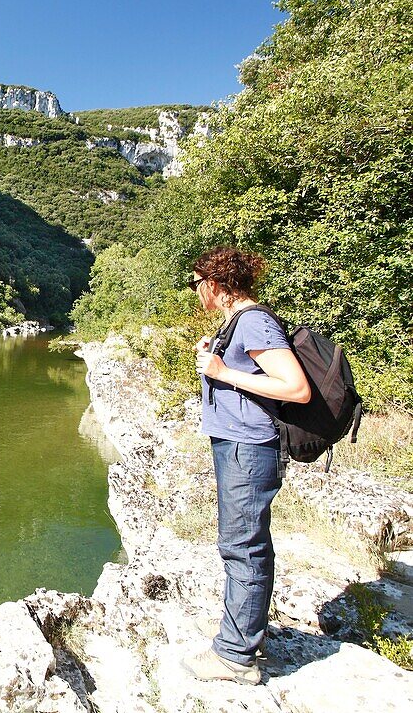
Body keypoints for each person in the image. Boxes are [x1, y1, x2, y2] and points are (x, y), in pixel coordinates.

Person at [180, 246, 311, 686]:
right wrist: (215, 354)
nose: (196, 292)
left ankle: (236, 657)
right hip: (238, 445)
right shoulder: (238, 322)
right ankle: (243, 632)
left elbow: (296, 388)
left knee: (242, 545)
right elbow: (243, 369)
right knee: (246, 541)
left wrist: (220, 371)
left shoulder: (254, 320)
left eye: (197, 283)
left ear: (216, 284)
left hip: (249, 448)